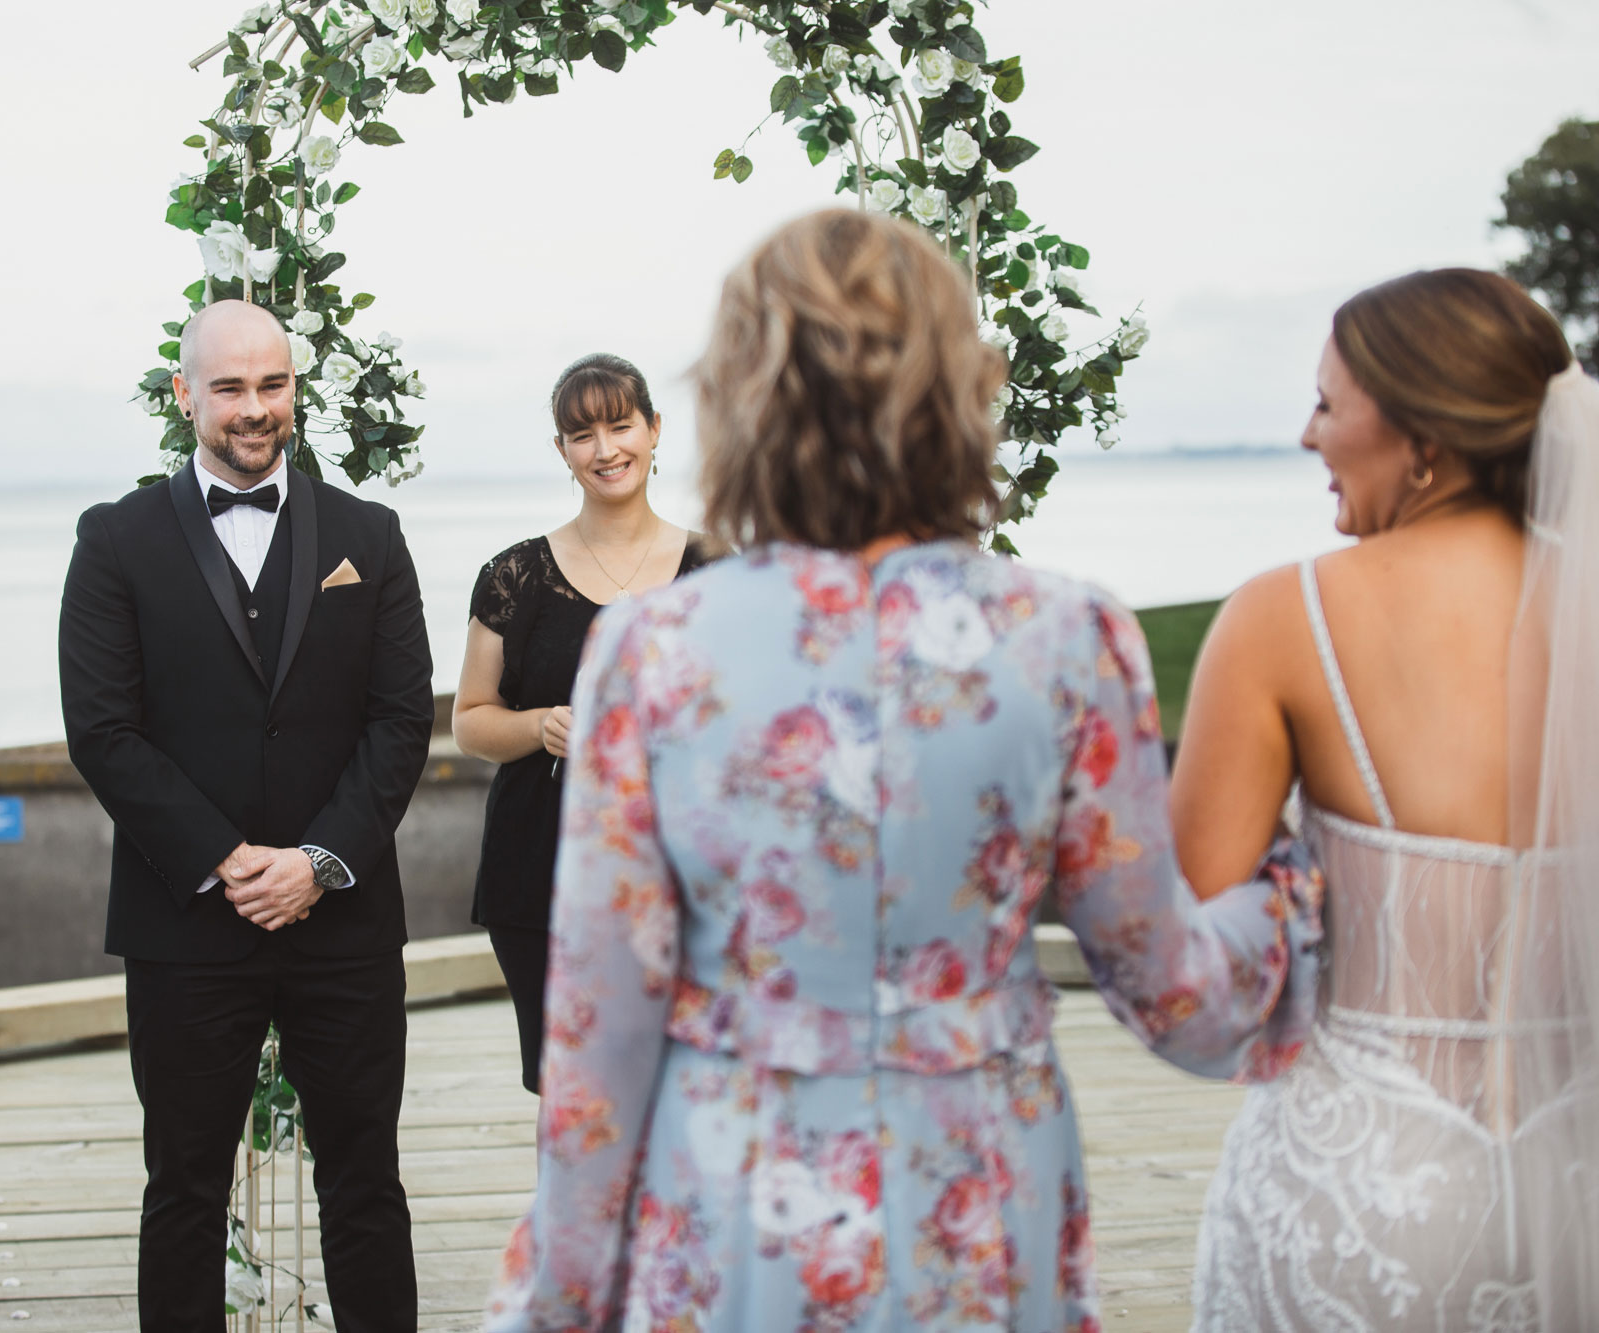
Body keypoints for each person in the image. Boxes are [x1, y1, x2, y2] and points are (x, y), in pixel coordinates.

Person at [483, 209, 1324, 1331]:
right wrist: (1303, 893)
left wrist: (559, 1299)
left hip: (733, 1204)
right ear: (957, 386)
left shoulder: (653, 653)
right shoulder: (1069, 636)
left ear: (739, 398)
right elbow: (1179, 997)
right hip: (976, 1203)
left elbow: (600, 1026)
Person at [1176, 269, 1599, 1329]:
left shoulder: (1286, 615)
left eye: (1326, 403)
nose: (1305, 434)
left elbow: (1192, 918)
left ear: (1419, 435)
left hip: (1352, 1187)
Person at [59, 299, 434, 1332]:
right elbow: (101, 729)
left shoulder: (371, 534)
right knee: (182, 1186)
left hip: (343, 917)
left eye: (271, 384)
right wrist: (227, 859)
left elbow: (400, 720)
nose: (253, 408)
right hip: (184, 923)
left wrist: (318, 859)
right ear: (185, 395)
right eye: (229, 387)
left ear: (293, 389)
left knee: (365, 1179)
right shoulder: (114, 541)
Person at [454, 354, 716, 1094]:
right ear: (562, 451)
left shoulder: (716, 567)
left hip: (683, 871)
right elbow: (472, 720)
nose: (605, 450)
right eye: (581, 435)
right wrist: (542, 726)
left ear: (655, 430)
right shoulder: (514, 574)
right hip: (541, 868)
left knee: (682, 1085)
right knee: (570, 1091)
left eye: (621, 426)